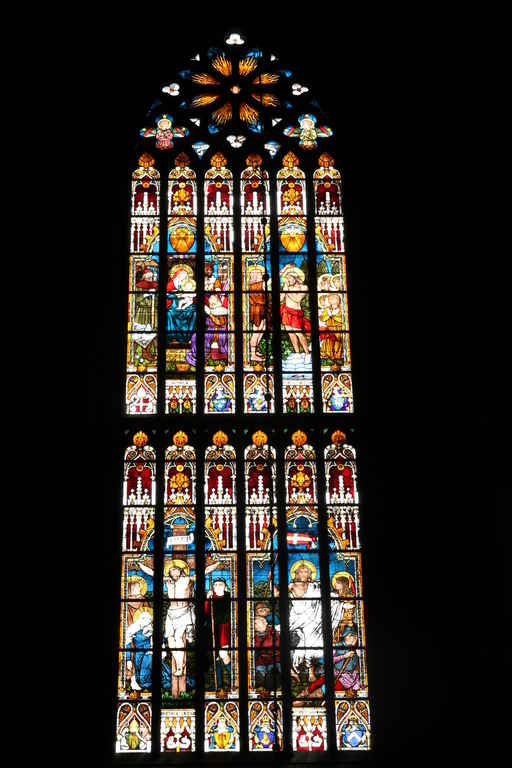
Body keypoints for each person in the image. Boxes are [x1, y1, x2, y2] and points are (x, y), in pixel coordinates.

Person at [137, 558, 195, 697]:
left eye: (175, 570)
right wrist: (140, 565)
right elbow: (152, 573)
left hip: (184, 612)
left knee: (178, 638)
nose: (173, 572)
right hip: (171, 613)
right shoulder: (168, 581)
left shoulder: (187, 580)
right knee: (170, 640)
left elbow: (204, 571)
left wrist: (216, 564)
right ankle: (180, 665)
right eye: (171, 570)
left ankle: (180, 667)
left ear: (181, 570)